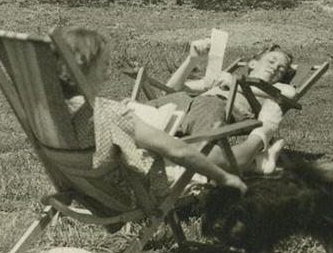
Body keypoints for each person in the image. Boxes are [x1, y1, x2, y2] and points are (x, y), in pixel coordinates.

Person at [52, 25, 248, 202]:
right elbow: (177, 151)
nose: (108, 75)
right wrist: (225, 178)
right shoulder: (106, 112)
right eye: (103, 67)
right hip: (140, 192)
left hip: (89, 191)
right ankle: (260, 148)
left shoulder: (52, 111)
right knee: (212, 155)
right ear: (84, 66)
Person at [166, 39, 298, 174]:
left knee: (203, 151)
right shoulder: (226, 78)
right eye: (271, 61)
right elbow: (170, 89)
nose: (275, 67)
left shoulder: (273, 88)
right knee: (153, 111)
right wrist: (192, 60)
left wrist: (236, 84)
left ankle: (253, 163)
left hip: (213, 106)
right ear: (252, 63)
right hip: (187, 103)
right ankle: (257, 162)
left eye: (281, 70)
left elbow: (291, 93)